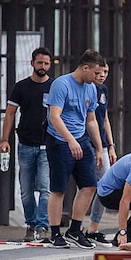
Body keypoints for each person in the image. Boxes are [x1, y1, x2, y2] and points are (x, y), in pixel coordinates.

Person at [45, 49, 105, 249]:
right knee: (59, 188)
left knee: (90, 185)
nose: (99, 77)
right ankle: (55, 232)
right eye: (96, 73)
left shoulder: (91, 89)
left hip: (82, 139)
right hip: (60, 140)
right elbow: (55, 116)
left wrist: (99, 148)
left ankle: (75, 229)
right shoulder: (61, 84)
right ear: (85, 68)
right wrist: (70, 140)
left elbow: (92, 120)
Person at [0, 47, 54, 242]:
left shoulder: (54, 86)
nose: (43, 67)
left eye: (46, 63)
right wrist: (4, 139)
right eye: (39, 63)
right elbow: (10, 113)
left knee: (46, 188)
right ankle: (30, 225)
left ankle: (43, 225)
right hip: (25, 144)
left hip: (47, 145)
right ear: (32, 63)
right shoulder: (21, 87)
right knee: (26, 190)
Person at [85, 62, 118, 245]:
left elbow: (104, 118)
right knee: (85, 185)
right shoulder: (85, 88)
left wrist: (111, 145)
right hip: (85, 142)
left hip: (102, 144)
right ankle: (77, 227)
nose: (102, 75)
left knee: (104, 185)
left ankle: (93, 227)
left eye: (106, 71)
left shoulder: (103, 90)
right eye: (99, 72)